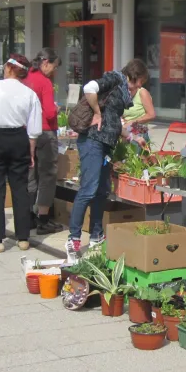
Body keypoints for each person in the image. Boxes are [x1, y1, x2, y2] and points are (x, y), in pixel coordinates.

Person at [65, 59, 149, 258]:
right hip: (92, 141)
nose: (140, 87)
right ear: (135, 77)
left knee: (102, 190)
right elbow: (90, 87)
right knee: (88, 189)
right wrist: (96, 113)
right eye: (141, 82)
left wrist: (133, 137)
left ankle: (96, 236)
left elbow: (113, 123)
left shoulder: (123, 92)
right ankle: (73, 239)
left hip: (105, 145)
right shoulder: (115, 78)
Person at [0, 54, 42, 253]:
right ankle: (23, 238)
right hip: (19, 138)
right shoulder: (29, 94)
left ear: (10, 68)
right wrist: (30, 152)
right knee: (20, 188)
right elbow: (33, 128)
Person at [22, 48, 63, 235]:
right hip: (45, 132)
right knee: (47, 175)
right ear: (45, 62)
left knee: (30, 174)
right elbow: (49, 112)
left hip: (25, 132)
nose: (53, 71)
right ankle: (43, 219)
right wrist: (57, 109)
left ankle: (28, 215)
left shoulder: (25, 78)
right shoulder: (44, 82)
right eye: (53, 67)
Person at [122, 79, 156, 147]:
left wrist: (132, 122)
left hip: (139, 133)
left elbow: (151, 115)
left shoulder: (142, 92)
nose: (128, 90)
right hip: (124, 133)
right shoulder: (123, 93)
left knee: (138, 156)